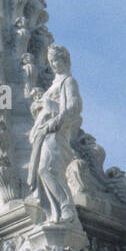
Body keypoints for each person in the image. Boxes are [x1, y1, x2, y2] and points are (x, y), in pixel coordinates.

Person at [27, 45, 81, 224]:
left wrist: (53, 121)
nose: (53, 64)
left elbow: (73, 107)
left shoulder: (68, 81)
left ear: (65, 59)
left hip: (56, 132)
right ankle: (54, 213)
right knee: (43, 170)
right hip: (45, 132)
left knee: (47, 168)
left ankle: (67, 209)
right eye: (51, 62)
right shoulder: (54, 84)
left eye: (56, 60)